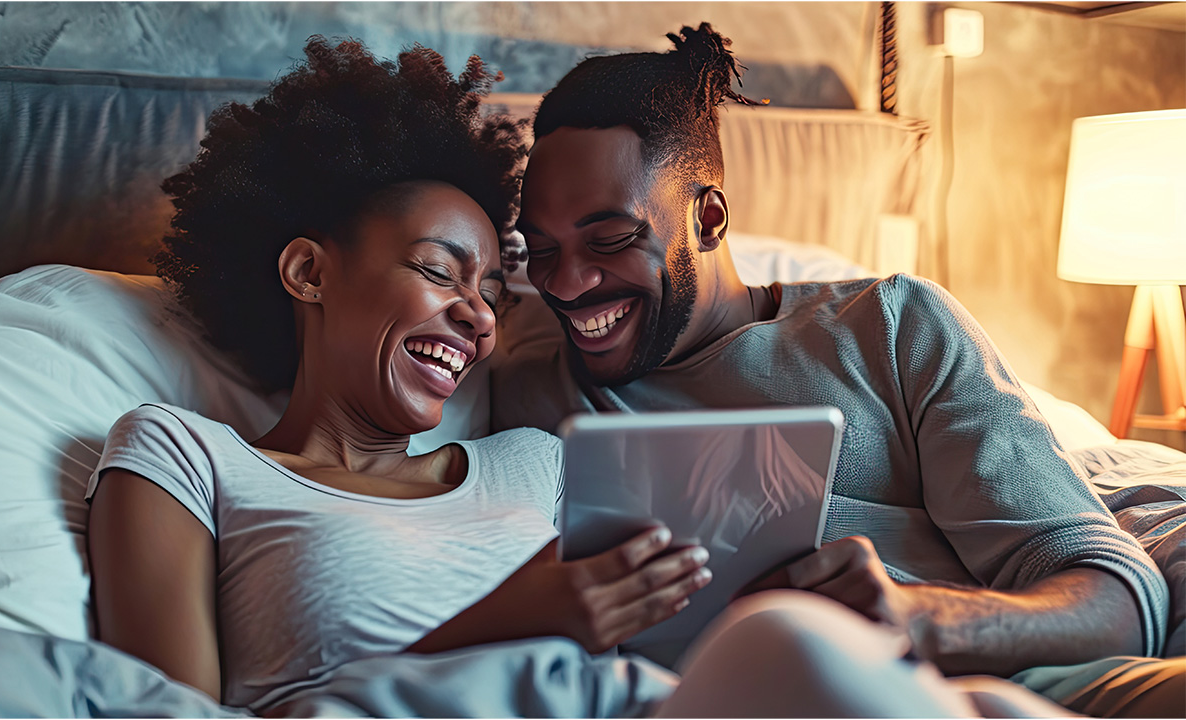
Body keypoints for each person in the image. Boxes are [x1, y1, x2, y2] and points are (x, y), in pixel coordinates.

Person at [87, 34, 1076, 719]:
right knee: (798, 651)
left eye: (489, 284)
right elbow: (170, 710)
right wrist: (504, 623)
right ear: (307, 271)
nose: (488, 309)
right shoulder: (184, 453)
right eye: (440, 271)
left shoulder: (541, 452)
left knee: (974, 698)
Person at [493, 21, 1183, 717]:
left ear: (708, 219)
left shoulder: (892, 325)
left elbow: (1121, 598)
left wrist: (919, 618)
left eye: (610, 239)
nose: (568, 284)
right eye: (541, 250)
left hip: (1044, 690)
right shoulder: (528, 394)